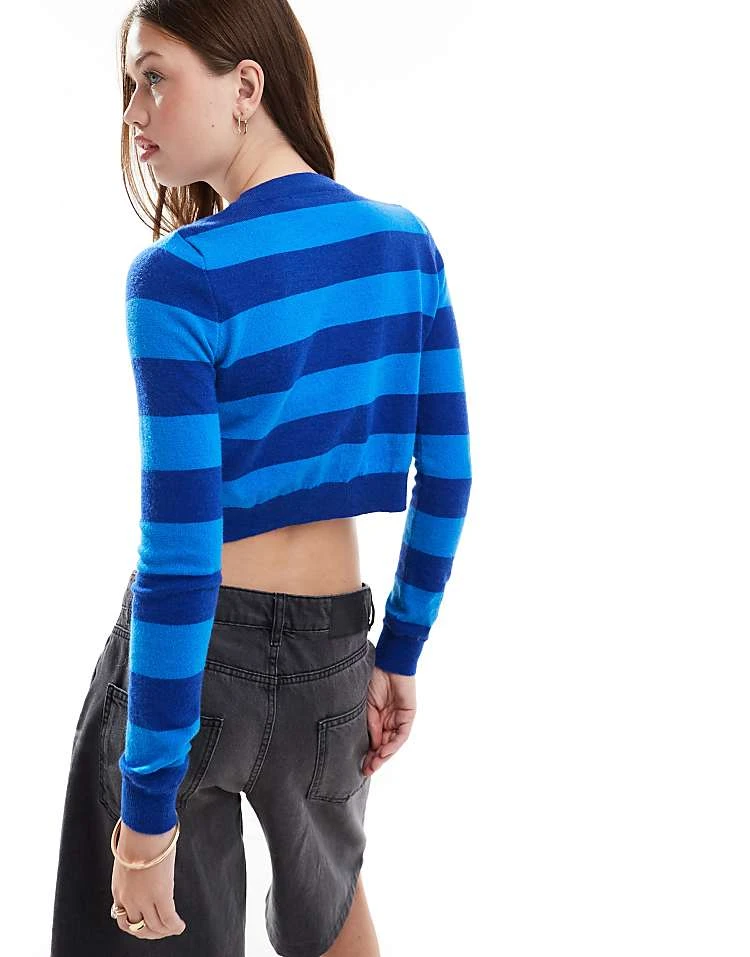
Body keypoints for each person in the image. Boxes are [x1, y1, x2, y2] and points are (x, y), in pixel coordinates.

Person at [49, 2, 471, 955]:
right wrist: (399, 651)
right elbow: (448, 473)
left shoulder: (178, 277)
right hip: (334, 657)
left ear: (246, 85)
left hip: (196, 663)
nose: (134, 110)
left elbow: (182, 557)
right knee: (338, 925)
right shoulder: (404, 247)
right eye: (128, 85)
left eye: (155, 76)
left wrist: (145, 819)